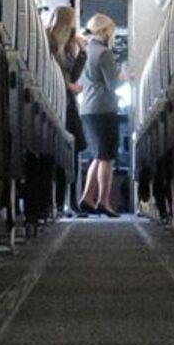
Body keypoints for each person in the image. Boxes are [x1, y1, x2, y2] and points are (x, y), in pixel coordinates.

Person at [76, 13, 129, 217]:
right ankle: (104, 201)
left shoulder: (85, 51)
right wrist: (126, 76)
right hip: (104, 109)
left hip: (88, 109)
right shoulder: (104, 53)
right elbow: (112, 84)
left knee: (97, 156)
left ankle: (87, 197)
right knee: (107, 157)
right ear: (105, 31)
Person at [47, 6, 87, 214]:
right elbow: (51, 72)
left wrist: (82, 54)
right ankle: (60, 201)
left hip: (68, 104)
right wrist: (67, 86)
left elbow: (72, 74)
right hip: (57, 103)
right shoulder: (50, 42)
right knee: (63, 152)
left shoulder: (69, 44)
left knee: (74, 149)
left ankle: (70, 200)